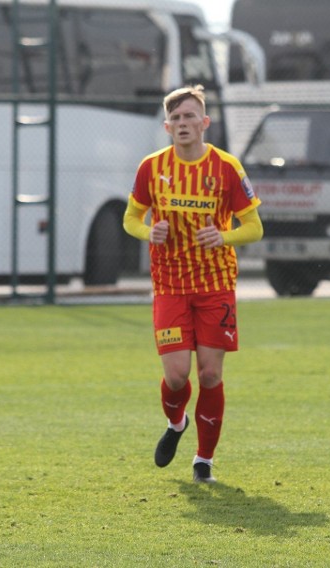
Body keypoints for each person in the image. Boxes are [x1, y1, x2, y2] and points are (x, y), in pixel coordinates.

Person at [123, 85, 263, 483]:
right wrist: (148, 231)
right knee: (177, 375)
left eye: (190, 117)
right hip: (169, 283)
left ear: (205, 123)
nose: (183, 124)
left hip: (216, 283)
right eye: (176, 119)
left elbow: (254, 228)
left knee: (211, 374)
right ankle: (177, 422)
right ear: (167, 127)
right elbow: (130, 218)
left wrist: (224, 236)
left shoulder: (226, 168)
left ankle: (204, 460)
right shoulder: (151, 167)